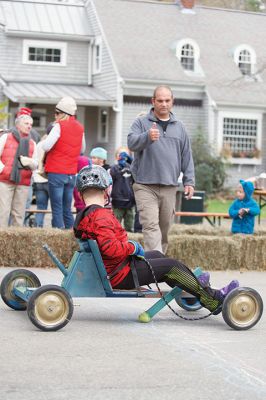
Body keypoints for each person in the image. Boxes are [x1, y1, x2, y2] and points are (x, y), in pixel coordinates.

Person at [73, 165, 239, 312]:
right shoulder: (101, 216)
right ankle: (213, 299)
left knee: (157, 255)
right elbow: (112, 249)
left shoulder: (86, 215)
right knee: (171, 266)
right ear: (106, 191)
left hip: (114, 268)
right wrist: (132, 247)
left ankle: (193, 285)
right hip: (120, 274)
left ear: (81, 195)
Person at [127, 85, 195, 254]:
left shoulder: (179, 127)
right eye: (160, 100)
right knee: (150, 226)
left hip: (169, 186)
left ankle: (160, 263)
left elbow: (186, 155)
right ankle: (155, 262)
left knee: (164, 230)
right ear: (153, 101)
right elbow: (131, 143)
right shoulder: (141, 123)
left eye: (167, 100)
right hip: (144, 185)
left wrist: (189, 181)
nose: (164, 104)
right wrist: (147, 137)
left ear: (172, 102)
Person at [41, 96, 85, 229]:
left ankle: (58, 236)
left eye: (57, 113)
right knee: (67, 208)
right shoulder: (80, 127)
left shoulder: (58, 126)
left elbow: (46, 146)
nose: (55, 116)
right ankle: (71, 237)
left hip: (56, 172)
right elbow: (82, 149)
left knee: (57, 208)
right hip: (71, 173)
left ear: (64, 113)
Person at [0, 114, 38, 227]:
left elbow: (36, 164)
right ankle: (2, 238)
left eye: (31, 124)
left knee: (19, 214)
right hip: (5, 180)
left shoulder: (32, 143)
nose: (29, 126)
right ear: (18, 125)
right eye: (26, 124)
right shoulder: (6, 137)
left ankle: (16, 241)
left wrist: (30, 163)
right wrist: (2, 169)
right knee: (3, 211)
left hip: (23, 182)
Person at [32, 122, 54, 227]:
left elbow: (34, 160)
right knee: (56, 209)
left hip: (38, 179)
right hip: (50, 179)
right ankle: (56, 230)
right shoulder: (54, 144)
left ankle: (38, 229)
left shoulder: (39, 144)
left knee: (40, 208)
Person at [110, 148, 135, 232]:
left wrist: (132, 163)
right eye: (120, 154)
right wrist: (120, 166)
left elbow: (137, 176)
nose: (123, 156)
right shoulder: (114, 168)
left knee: (129, 224)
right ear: (116, 157)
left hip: (130, 201)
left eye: (125, 154)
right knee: (116, 225)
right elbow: (113, 176)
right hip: (118, 201)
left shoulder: (131, 167)